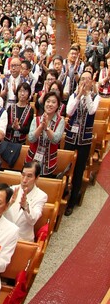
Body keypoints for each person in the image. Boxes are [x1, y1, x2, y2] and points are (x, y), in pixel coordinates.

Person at [64, 70, 98, 215]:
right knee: (66, 167)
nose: (84, 81)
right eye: (82, 79)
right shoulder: (73, 95)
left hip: (84, 139)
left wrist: (87, 95)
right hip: (71, 136)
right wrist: (78, 95)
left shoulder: (96, 97)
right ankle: (63, 193)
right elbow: (69, 111)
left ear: (91, 82)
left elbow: (91, 111)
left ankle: (72, 202)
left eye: (87, 79)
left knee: (78, 170)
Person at [3, 161, 48, 241]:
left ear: (37, 177)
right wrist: (9, 204)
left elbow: (33, 220)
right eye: (23, 175)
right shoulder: (11, 190)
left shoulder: (41, 196)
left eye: (29, 176)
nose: (24, 180)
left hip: (23, 238)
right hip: (5, 235)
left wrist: (26, 206)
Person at [25, 91, 65, 178]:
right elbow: (31, 139)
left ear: (58, 105)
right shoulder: (36, 119)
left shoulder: (60, 121)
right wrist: (40, 127)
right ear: (44, 103)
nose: (50, 104)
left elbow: (56, 140)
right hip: (32, 159)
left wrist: (46, 128)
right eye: (48, 101)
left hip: (48, 162)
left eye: (53, 102)